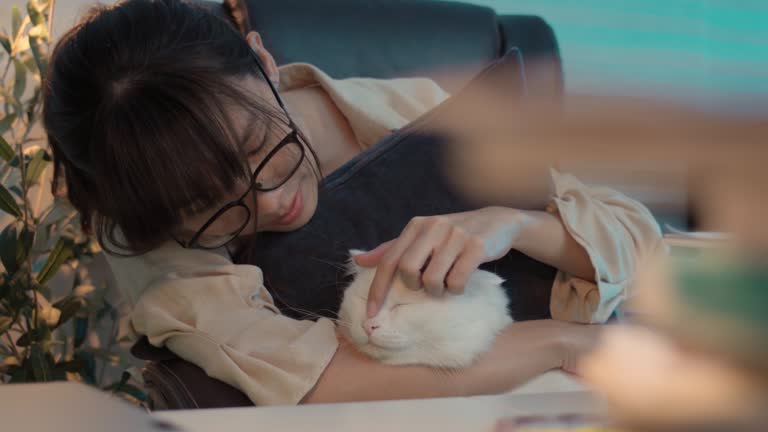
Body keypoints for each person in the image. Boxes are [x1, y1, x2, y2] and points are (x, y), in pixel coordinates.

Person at [43, 0, 662, 405]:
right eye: (211, 203)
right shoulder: (162, 251)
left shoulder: (406, 109)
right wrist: (562, 343)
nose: (274, 199)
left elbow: (638, 239)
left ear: (265, 62)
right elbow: (321, 381)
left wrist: (509, 224)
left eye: (268, 149)